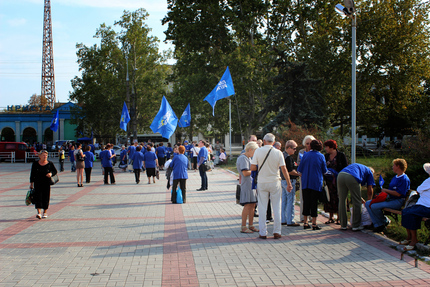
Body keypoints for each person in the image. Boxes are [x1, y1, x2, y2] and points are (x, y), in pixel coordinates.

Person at [250, 133, 293, 239]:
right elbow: (284, 169)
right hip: (275, 182)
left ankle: (263, 232)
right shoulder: (278, 153)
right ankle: (277, 231)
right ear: (273, 142)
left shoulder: (258, 151)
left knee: (262, 207)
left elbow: (253, 167)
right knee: (277, 206)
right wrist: (289, 183)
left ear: (264, 141)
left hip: (262, 182)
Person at [366, 158, 410, 232]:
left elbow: (399, 194)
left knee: (373, 206)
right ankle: (379, 223)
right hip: (389, 199)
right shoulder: (395, 177)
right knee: (368, 203)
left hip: (397, 201)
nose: (392, 167)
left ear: (398, 166)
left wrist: (386, 190)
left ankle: (381, 223)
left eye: (394, 165)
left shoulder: (404, 179)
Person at [297, 140, 328, 230]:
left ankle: (305, 222)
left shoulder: (305, 155)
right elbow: (324, 170)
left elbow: (300, 169)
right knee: (314, 203)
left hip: (305, 181)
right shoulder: (321, 156)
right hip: (316, 182)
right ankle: (314, 223)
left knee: (306, 201)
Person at [401, 163, 430, 251]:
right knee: (405, 211)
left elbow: (418, 189)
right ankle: (409, 237)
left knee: (410, 213)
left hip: (427, 207)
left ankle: (413, 240)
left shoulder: (429, 180)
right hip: (423, 205)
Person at [338, 163, 375, 231]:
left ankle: (343, 225)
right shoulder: (370, 172)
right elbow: (370, 189)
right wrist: (369, 201)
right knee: (357, 202)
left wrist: (361, 199)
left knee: (342, 200)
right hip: (352, 177)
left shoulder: (359, 167)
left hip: (341, 175)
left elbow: (354, 193)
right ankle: (356, 225)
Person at [323, 139, 348, 224]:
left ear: (331, 147)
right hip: (329, 181)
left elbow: (345, 167)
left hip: (339, 180)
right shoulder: (326, 156)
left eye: (326, 147)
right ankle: (331, 217)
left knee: (339, 198)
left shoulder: (341, 155)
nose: (325, 148)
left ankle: (339, 217)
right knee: (329, 198)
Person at [237, 142, 259, 233]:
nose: (255, 154)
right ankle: (243, 226)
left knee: (253, 204)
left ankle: (251, 225)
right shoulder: (243, 158)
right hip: (247, 185)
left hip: (251, 184)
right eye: (255, 151)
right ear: (250, 150)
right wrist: (256, 170)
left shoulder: (248, 158)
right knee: (247, 205)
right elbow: (245, 173)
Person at [30, 150, 57, 219]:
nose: (45, 157)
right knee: (38, 197)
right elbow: (32, 174)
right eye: (43, 155)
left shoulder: (50, 163)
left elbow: (55, 171)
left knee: (46, 197)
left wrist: (51, 174)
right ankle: (39, 213)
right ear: (39, 156)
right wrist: (31, 183)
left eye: (46, 155)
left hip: (46, 183)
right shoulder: (35, 163)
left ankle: (45, 212)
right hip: (37, 183)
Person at [297, 135, 316, 223]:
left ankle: (312, 216)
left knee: (312, 197)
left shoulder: (316, 152)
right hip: (303, 177)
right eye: (307, 143)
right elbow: (298, 163)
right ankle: (303, 216)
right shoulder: (301, 152)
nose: (309, 145)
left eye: (310, 143)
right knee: (303, 197)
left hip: (312, 177)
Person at [282, 140, 300, 227]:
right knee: (291, 201)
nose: (295, 150)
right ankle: (290, 220)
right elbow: (289, 171)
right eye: (294, 148)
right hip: (289, 181)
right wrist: (299, 174)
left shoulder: (282, 155)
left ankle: (283, 219)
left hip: (282, 180)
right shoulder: (288, 158)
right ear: (289, 148)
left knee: (284, 201)